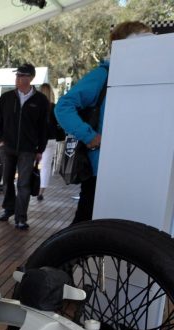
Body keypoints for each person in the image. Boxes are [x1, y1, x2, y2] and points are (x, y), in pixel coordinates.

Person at [55, 20, 152, 224]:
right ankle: (67, 257)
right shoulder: (103, 74)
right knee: (86, 226)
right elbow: (63, 106)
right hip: (101, 168)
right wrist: (90, 136)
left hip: (130, 166)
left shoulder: (141, 78)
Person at [0, 63, 48, 230]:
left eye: (20, 75)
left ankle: (21, 218)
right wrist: (0, 140)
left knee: (23, 184)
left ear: (29, 78)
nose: (16, 78)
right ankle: (8, 209)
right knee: (7, 181)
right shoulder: (6, 98)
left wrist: (40, 150)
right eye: (16, 75)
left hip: (28, 149)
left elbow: (44, 127)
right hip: (6, 147)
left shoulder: (41, 101)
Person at [37, 83, 64, 201]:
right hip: (51, 139)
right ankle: (41, 191)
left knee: (30, 163)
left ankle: (29, 186)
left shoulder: (36, 107)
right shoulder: (54, 108)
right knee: (46, 166)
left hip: (37, 140)